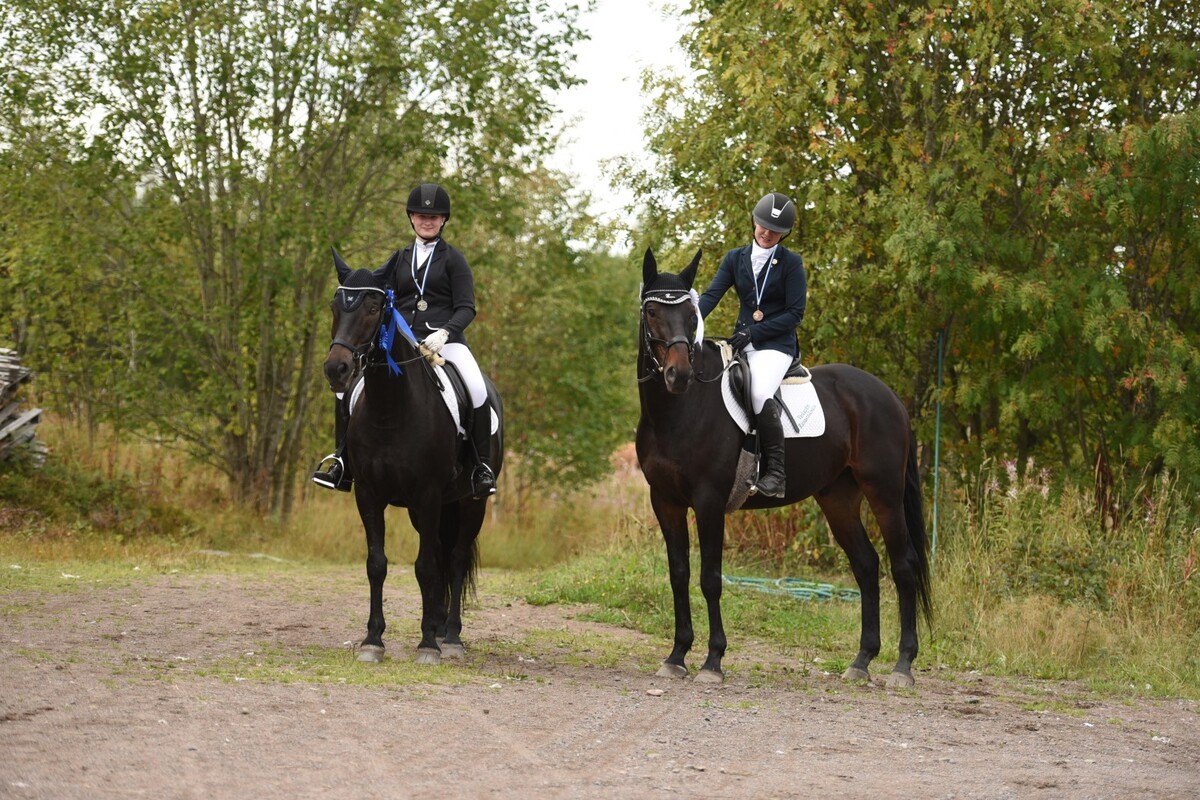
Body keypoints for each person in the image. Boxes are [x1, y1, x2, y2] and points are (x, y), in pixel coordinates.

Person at [313, 182, 497, 498]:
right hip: (403, 343)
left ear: (443, 220)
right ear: (411, 217)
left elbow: (467, 307)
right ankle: (342, 461)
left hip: (446, 343)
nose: (427, 221)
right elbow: (375, 294)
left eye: (434, 216)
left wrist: (446, 332)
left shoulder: (454, 260)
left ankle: (482, 467)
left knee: (477, 388)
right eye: (421, 215)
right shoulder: (398, 259)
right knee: (347, 391)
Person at [698, 191, 806, 498]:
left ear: (784, 234)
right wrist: (689, 323)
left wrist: (755, 333)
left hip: (776, 346)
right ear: (754, 222)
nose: (767, 233)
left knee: (759, 392)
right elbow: (711, 296)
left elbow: (795, 314)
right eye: (763, 226)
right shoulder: (735, 258)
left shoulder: (791, 263)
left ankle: (776, 473)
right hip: (742, 343)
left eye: (775, 231)